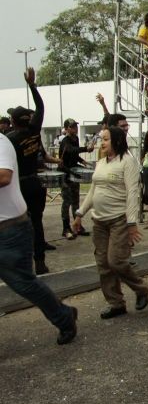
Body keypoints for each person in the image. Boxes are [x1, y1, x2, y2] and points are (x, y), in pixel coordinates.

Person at [0, 132, 78, 344]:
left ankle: (64, 317)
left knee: (23, 283)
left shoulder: (1, 142)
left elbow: (4, 177)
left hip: (9, 230)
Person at [73, 126, 148, 319]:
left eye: (105, 139)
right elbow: (93, 191)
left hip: (119, 221)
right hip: (98, 222)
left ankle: (141, 288)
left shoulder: (127, 162)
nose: (101, 143)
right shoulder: (100, 163)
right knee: (103, 265)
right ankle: (115, 303)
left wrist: (132, 223)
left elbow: (133, 193)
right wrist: (80, 213)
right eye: (101, 139)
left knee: (116, 261)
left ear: (116, 140)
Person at [6, 68, 49, 274]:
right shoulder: (35, 131)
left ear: (13, 122)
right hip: (36, 183)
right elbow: (40, 107)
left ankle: (22, 263)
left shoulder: (10, 140)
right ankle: (40, 260)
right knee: (37, 222)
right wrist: (32, 85)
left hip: (19, 185)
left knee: (20, 224)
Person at [58, 118, 95, 239]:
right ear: (67, 129)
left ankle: (77, 225)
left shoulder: (76, 139)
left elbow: (74, 154)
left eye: (75, 126)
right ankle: (66, 228)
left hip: (75, 173)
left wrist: (84, 162)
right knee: (66, 201)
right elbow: (70, 150)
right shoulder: (65, 141)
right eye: (72, 126)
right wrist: (85, 149)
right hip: (66, 174)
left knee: (75, 201)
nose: (75, 128)